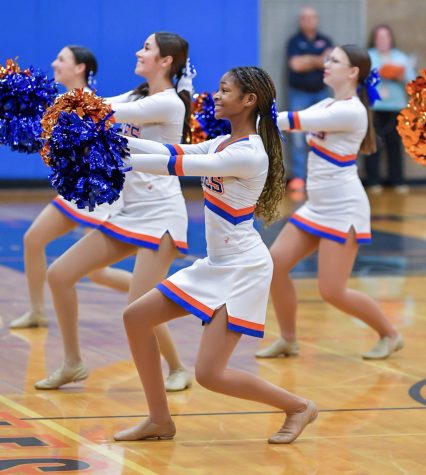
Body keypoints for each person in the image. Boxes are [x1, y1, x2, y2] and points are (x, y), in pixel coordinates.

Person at [112, 66, 318, 445]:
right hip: (216, 264)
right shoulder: (222, 143)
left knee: (209, 374)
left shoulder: (251, 154)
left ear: (249, 100)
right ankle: (159, 420)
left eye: (225, 90)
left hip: (244, 269)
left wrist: (113, 156)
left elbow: (179, 166)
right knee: (136, 317)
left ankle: (298, 406)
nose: (217, 96)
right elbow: (170, 150)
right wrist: (110, 139)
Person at [34, 32, 193, 392]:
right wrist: (47, 104)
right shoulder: (139, 93)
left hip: (161, 215)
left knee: (139, 308)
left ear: (166, 61)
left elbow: (108, 110)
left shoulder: (169, 103)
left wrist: (63, 104)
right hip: (129, 213)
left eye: (147, 48)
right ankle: (73, 362)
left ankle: (179, 368)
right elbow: (102, 102)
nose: (139, 51)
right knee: (59, 275)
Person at [256, 45, 404, 361]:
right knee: (274, 266)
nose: (326, 64)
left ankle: (390, 334)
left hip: (343, 209)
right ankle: (289, 339)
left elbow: (290, 121)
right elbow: (288, 121)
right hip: (316, 207)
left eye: (334, 60)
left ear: (352, 72)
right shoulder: (328, 103)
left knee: (332, 291)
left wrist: (249, 110)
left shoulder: (351, 110)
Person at [10, 45, 128, 330]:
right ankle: (38, 312)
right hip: (72, 194)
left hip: (95, 196)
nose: (54, 63)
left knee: (98, 274)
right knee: (33, 239)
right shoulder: (61, 100)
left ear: (80, 68)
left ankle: (162, 296)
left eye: (61, 59)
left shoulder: (92, 103)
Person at [286, 6, 333, 193]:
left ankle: (321, 177)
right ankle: (299, 177)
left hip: (321, 93)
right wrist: (318, 60)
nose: (308, 21)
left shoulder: (326, 40)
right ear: (300, 21)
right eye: (304, 18)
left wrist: (309, 60)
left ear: (317, 20)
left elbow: (329, 62)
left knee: (322, 135)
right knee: (298, 137)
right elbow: (296, 65)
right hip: (298, 94)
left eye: (311, 17)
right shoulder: (294, 41)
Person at [364, 24, 416, 194]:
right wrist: (379, 74)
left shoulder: (400, 57)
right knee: (374, 144)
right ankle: (373, 181)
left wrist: (400, 75)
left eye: (386, 37)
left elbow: (411, 81)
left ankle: (397, 180)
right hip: (376, 107)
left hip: (395, 107)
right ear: (374, 39)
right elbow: (362, 80)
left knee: (395, 145)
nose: (383, 40)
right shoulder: (369, 56)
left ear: (391, 39)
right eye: (379, 37)